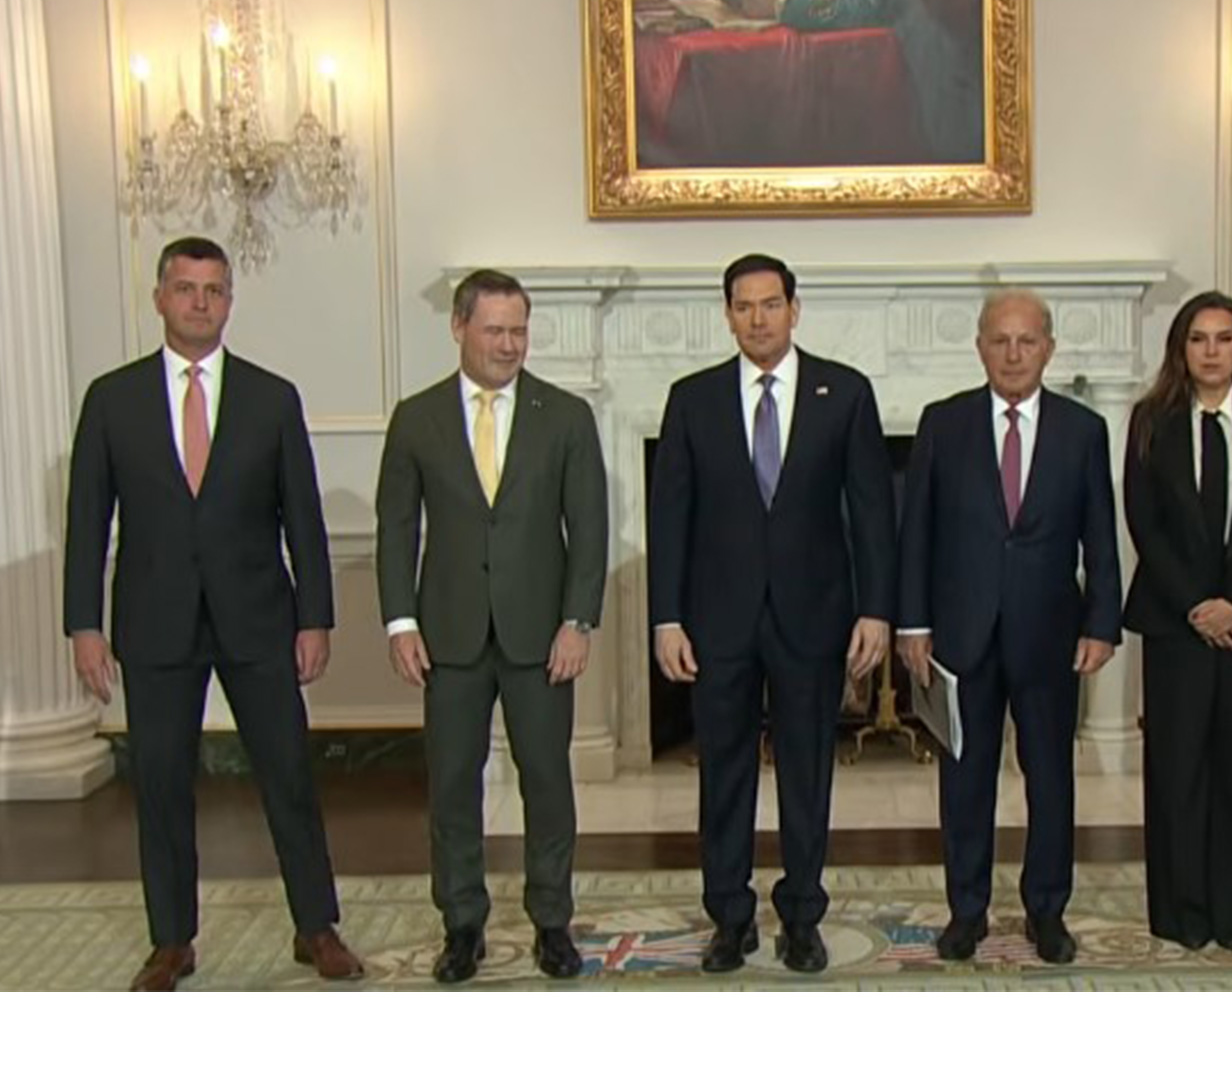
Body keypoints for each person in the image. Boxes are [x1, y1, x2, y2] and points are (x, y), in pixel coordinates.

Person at [63, 236, 362, 991]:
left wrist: (314, 617)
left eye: (215, 290)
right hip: (154, 622)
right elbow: (88, 520)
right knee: (161, 781)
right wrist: (85, 625)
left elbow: (303, 518)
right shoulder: (112, 398)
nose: (201, 302)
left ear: (230, 301)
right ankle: (172, 940)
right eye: (187, 288)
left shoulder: (271, 397)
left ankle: (316, 927)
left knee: (288, 774)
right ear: (160, 297)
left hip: (259, 618)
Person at [649, 253, 896, 975]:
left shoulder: (843, 394)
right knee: (721, 772)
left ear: (795, 308)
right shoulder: (690, 399)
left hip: (814, 618)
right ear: (727, 314)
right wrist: (667, 617)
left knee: (806, 771)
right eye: (743, 306)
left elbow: (873, 514)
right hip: (716, 623)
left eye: (770, 304)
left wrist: (876, 611)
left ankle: (801, 916)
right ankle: (729, 915)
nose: (757, 319)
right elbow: (671, 520)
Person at [376, 269, 607, 984]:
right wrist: (400, 621)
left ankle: (552, 923)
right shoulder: (416, 419)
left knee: (547, 781)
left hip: (541, 637)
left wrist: (578, 622)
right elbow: (395, 529)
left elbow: (591, 529)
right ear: (458, 327)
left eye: (519, 331)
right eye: (494, 330)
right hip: (446, 636)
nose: (509, 345)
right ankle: (462, 924)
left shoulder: (565, 415)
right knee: (452, 784)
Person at [897, 288, 1121, 965]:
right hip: (961, 635)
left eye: (1027, 340)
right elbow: (917, 535)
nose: (1014, 353)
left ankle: (1046, 910)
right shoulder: (944, 423)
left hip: (1051, 633)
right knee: (964, 779)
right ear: (980, 347)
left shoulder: (1083, 430)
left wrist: (1102, 622)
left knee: (1050, 775)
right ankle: (966, 910)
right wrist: (913, 624)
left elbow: (1101, 538)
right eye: (1001, 340)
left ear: (1048, 348)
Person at [1123, 292, 1232, 952]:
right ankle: (1181, 912)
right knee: (1178, 769)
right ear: (1180, 349)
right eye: (1198, 339)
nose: (1212, 351)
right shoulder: (1150, 422)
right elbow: (1145, 523)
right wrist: (1199, 606)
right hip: (1177, 625)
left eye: (1224, 338)